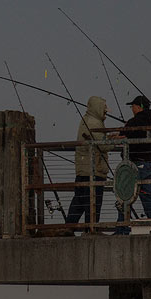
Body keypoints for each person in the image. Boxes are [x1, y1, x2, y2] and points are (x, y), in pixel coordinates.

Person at [114, 96, 151, 234]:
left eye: (133, 106)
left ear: (139, 107)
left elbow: (122, 136)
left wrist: (115, 135)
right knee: (147, 194)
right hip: (148, 163)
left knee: (125, 194)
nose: (132, 109)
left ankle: (122, 227)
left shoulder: (134, 122)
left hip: (134, 164)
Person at [65, 96, 113, 227]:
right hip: (93, 171)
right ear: (98, 108)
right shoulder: (94, 123)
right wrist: (115, 141)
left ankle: (68, 228)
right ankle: (91, 229)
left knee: (79, 202)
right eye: (104, 109)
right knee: (93, 203)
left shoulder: (87, 120)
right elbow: (103, 145)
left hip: (83, 170)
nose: (106, 112)